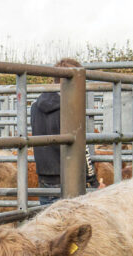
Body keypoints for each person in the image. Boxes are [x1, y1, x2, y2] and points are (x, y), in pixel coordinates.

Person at [31, 57, 98, 205]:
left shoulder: (35, 107)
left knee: (50, 223)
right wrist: (93, 182)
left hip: (45, 179)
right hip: (70, 178)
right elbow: (82, 148)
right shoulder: (69, 108)